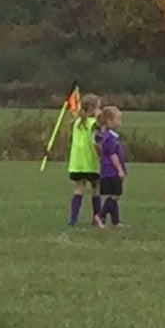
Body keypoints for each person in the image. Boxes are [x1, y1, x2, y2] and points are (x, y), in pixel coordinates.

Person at [66, 92, 103, 227]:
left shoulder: (76, 122)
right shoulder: (95, 124)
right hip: (91, 161)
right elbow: (96, 142)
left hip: (77, 162)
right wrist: (101, 155)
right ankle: (97, 217)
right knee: (96, 188)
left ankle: (73, 218)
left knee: (79, 188)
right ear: (94, 109)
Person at [96, 105, 128, 228]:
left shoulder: (111, 136)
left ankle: (116, 221)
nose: (119, 122)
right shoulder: (109, 137)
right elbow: (113, 155)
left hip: (109, 170)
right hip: (111, 171)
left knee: (115, 195)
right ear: (109, 121)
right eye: (117, 119)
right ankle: (100, 216)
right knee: (114, 195)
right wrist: (120, 170)